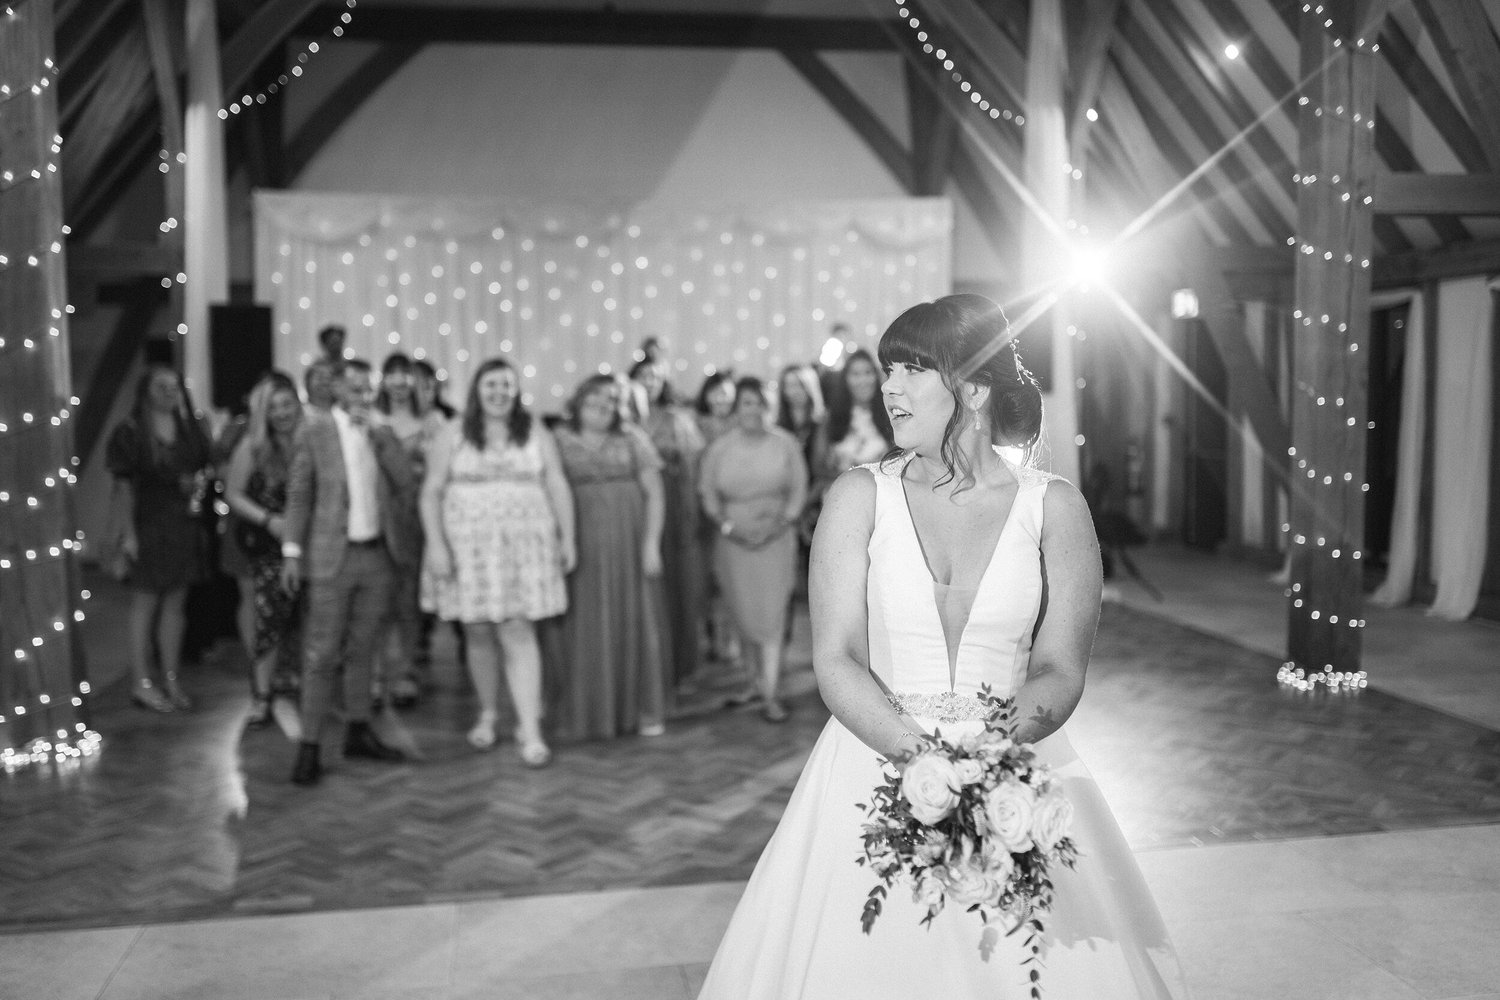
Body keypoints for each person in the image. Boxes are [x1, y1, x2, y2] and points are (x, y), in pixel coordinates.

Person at [697, 294, 1184, 998]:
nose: (889, 388)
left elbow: (1059, 667)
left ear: (975, 389)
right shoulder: (857, 497)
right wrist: (924, 764)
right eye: (887, 369)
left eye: (913, 369)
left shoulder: (1054, 509)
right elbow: (836, 658)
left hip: (1014, 767)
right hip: (873, 758)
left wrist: (989, 766)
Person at [421, 358, 575, 765]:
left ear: (516, 390)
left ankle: (530, 728)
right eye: (491, 384)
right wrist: (436, 545)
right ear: (476, 389)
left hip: (525, 548)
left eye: (507, 385)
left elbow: (556, 482)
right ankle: (488, 713)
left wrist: (568, 536)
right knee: (477, 631)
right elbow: (431, 490)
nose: (499, 392)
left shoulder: (535, 430)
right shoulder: (453, 432)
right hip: (468, 547)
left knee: (518, 629)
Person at [280, 359, 417, 786]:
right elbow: (300, 494)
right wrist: (291, 551)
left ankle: (359, 731)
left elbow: (405, 482)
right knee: (321, 654)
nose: (362, 393)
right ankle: (309, 746)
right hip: (330, 557)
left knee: (364, 648)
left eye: (367, 387)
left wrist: (379, 434)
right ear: (336, 389)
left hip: (376, 556)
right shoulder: (316, 430)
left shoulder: (381, 431)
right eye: (353, 386)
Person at [551, 375, 669, 740]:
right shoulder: (558, 440)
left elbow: (655, 493)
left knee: (634, 618)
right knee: (583, 623)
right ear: (579, 401)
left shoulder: (633, 438)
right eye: (595, 398)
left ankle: (642, 709)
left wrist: (651, 543)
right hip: (581, 541)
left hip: (629, 542)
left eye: (611, 400)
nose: (602, 406)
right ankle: (588, 710)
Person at [103, 364, 215, 713]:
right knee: (144, 605)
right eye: (161, 386)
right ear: (146, 391)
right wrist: (128, 534)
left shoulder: (190, 427)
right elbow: (123, 488)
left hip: (183, 523)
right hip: (146, 523)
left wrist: (195, 483)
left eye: (174, 385)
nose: (169, 392)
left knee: (175, 606)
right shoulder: (131, 431)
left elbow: (205, 467)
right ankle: (141, 682)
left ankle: (171, 678)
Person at [698, 377, 808, 723]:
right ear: (737, 408)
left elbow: (799, 489)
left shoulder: (785, 444)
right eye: (747, 402)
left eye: (760, 402)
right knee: (742, 614)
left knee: (772, 616)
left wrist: (780, 524)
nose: (754, 409)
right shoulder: (720, 449)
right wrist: (728, 527)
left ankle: (771, 693)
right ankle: (752, 683)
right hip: (733, 544)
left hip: (776, 540)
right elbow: (707, 492)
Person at [223, 372, 304, 729]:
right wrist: (268, 520)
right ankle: (261, 695)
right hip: (269, 545)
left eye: (287, 405)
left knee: (306, 621)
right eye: (274, 407)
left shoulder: (309, 441)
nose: (282, 413)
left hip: (309, 544)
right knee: (268, 621)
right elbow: (233, 494)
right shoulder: (253, 447)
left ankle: (300, 685)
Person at [374, 352, 448, 708]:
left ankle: (405, 671)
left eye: (406, 376)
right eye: (392, 374)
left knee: (408, 597)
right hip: (377, 514)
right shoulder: (372, 419)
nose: (399, 383)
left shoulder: (432, 421)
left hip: (415, 516)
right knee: (376, 598)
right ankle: (374, 675)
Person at [630, 358, 707, 692]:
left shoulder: (675, 418)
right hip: (631, 509)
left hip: (672, 509)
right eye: (643, 376)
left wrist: (690, 515)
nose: (649, 382)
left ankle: (677, 667)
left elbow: (693, 468)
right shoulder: (622, 419)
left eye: (655, 377)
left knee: (674, 587)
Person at [813, 347, 893, 490]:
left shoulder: (889, 414)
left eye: (868, 373)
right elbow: (818, 466)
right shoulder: (831, 418)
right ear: (845, 379)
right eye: (855, 374)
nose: (863, 380)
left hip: (883, 492)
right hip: (840, 491)